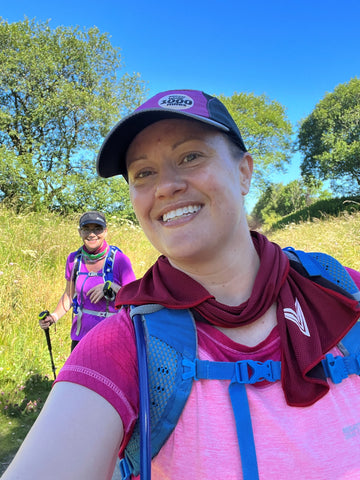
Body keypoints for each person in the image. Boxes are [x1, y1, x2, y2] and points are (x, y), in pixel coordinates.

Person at [4, 89, 360, 480]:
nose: (166, 186)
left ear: (244, 172)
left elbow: (122, 285)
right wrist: (56, 315)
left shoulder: (344, 295)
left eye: (190, 156)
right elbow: (70, 297)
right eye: (143, 173)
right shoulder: (125, 345)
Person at [39, 210, 136, 351]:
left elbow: (134, 299)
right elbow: (69, 296)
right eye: (86, 229)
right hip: (81, 337)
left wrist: (113, 287)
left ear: (105, 231)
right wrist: (53, 317)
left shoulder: (120, 260)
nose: (92, 234)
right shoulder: (74, 259)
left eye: (97, 228)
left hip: (111, 338)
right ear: (80, 232)